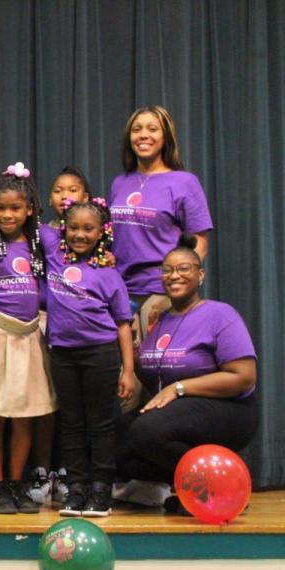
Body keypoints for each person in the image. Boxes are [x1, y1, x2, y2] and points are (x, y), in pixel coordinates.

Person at [116, 236, 258, 509]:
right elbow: (154, 374)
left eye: (184, 269)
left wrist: (178, 388)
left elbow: (243, 377)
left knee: (146, 431)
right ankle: (185, 489)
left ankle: (221, 487)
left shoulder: (220, 314)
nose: (174, 275)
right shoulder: (161, 321)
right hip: (178, 412)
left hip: (228, 409)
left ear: (200, 274)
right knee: (115, 442)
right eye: (167, 270)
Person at [0, 162, 56, 515]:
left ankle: (17, 484)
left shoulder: (40, 242)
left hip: (30, 335)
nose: (7, 214)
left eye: (16, 208)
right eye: (0, 209)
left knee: (24, 415)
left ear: (29, 209)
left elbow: (74, 234)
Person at [38, 198, 135, 517]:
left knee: (100, 424)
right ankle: (77, 489)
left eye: (88, 229)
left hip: (101, 354)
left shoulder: (108, 273)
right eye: (74, 228)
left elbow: (123, 325)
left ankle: (100, 490)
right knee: (71, 423)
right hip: (63, 354)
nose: (80, 234)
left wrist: (128, 371)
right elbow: (25, 219)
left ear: (102, 232)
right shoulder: (54, 257)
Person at [109, 105, 212, 336]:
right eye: (137, 129)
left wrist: (171, 292)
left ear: (165, 137)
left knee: (160, 370)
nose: (143, 135)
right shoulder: (119, 183)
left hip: (161, 292)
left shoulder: (184, 182)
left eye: (152, 129)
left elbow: (199, 244)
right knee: (125, 371)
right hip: (120, 292)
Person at [26, 165, 94, 505]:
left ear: (85, 196)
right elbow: (0, 231)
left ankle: (71, 471)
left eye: (72, 189)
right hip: (41, 324)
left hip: (79, 330)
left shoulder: (96, 234)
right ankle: (41, 469)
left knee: (72, 405)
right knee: (43, 402)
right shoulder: (40, 233)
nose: (65, 195)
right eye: (57, 189)